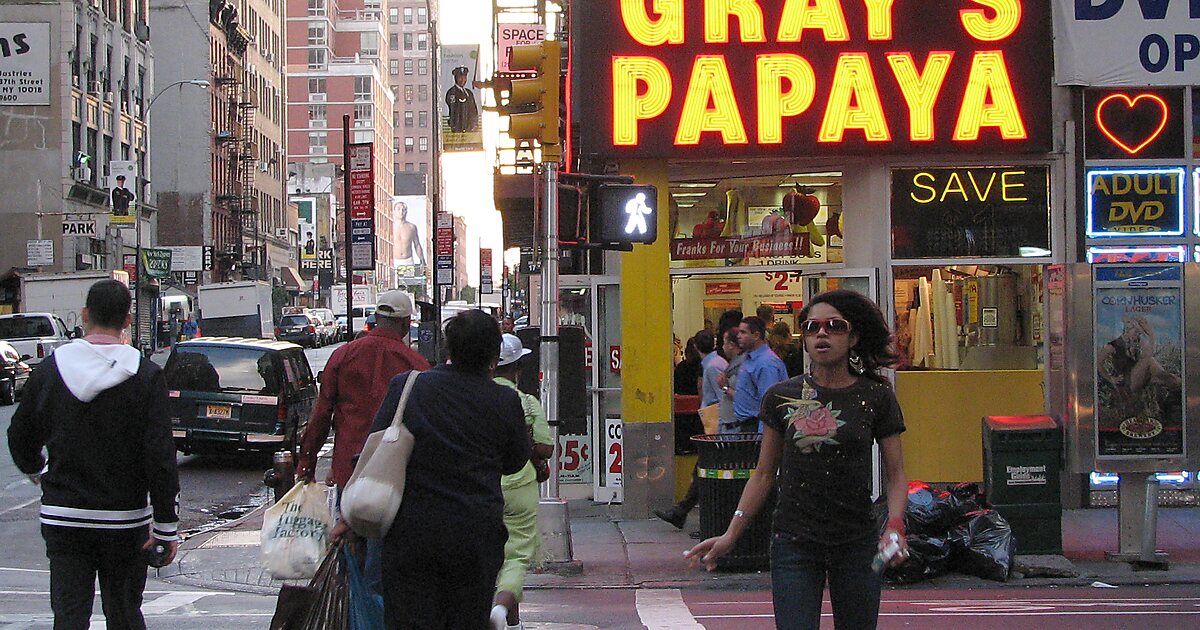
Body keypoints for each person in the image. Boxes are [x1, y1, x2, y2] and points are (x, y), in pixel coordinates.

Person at [686, 289, 910, 630]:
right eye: (811, 327)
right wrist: (731, 535)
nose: (821, 333)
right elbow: (763, 475)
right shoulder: (782, 396)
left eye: (834, 325)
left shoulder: (876, 395)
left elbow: (895, 473)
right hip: (793, 542)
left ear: (854, 337)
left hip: (857, 543)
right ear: (803, 338)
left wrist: (895, 526)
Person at [8, 279, 180, 630]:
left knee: (69, 617)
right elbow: (159, 456)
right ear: (128, 320)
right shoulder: (145, 376)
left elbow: (20, 435)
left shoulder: (51, 370)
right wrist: (165, 526)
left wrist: (37, 469)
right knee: (124, 614)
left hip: (64, 517)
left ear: (85, 315)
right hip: (124, 520)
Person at [374, 310, 530, 629]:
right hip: (473, 537)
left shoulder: (408, 387)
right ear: (493, 355)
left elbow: (373, 447)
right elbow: (515, 460)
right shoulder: (504, 400)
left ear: (449, 347)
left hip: (411, 534)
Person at [297, 290, 430, 592]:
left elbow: (321, 414)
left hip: (350, 472)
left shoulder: (343, 355)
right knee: (384, 558)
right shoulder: (417, 366)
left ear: (375, 319)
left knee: (351, 549)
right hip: (396, 477)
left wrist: (307, 460)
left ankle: (354, 612)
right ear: (406, 324)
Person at [490, 334, 554, 630]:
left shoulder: (478, 398)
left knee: (485, 554)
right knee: (515, 557)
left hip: (485, 487)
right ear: (517, 368)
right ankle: (506, 615)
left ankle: (495, 610)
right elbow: (546, 448)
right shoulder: (526, 402)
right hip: (521, 487)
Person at [655, 330, 721, 531]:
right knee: (701, 471)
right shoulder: (713, 364)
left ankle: (691, 515)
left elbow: (721, 398)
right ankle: (682, 512)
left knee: (704, 472)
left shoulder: (711, 367)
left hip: (716, 425)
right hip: (715, 424)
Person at [728, 316, 788, 433]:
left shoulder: (766, 364)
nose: (738, 336)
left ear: (756, 335)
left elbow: (769, 405)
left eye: (743, 332)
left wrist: (762, 437)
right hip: (745, 426)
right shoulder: (750, 358)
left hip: (756, 427)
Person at [715, 328, 744, 434]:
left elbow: (743, 397)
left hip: (735, 426)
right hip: (727, 424)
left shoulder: (742, 366)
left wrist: (725, 387)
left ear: (731, 345)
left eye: (724, 343)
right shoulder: (732, 365)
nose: (723, 347)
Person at [445, 65, 478, 133]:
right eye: (460, 77)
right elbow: (454, 111)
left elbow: (474, 111)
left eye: (464, 77)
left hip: (470, 131)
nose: (463, 80)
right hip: (458, 130)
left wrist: (473, 125)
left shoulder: (469, 93)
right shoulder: (452, 92)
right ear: (455, 78)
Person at [393, 200, 425, 267]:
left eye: (403, 209)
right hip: (393, 261)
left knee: (408, 277)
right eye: (398, 209)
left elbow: (417, 245)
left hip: (408, 261)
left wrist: (422, 260)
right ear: (394, 211)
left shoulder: (411, 227)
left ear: (406, 212)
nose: (401, 212)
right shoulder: (389, 226)